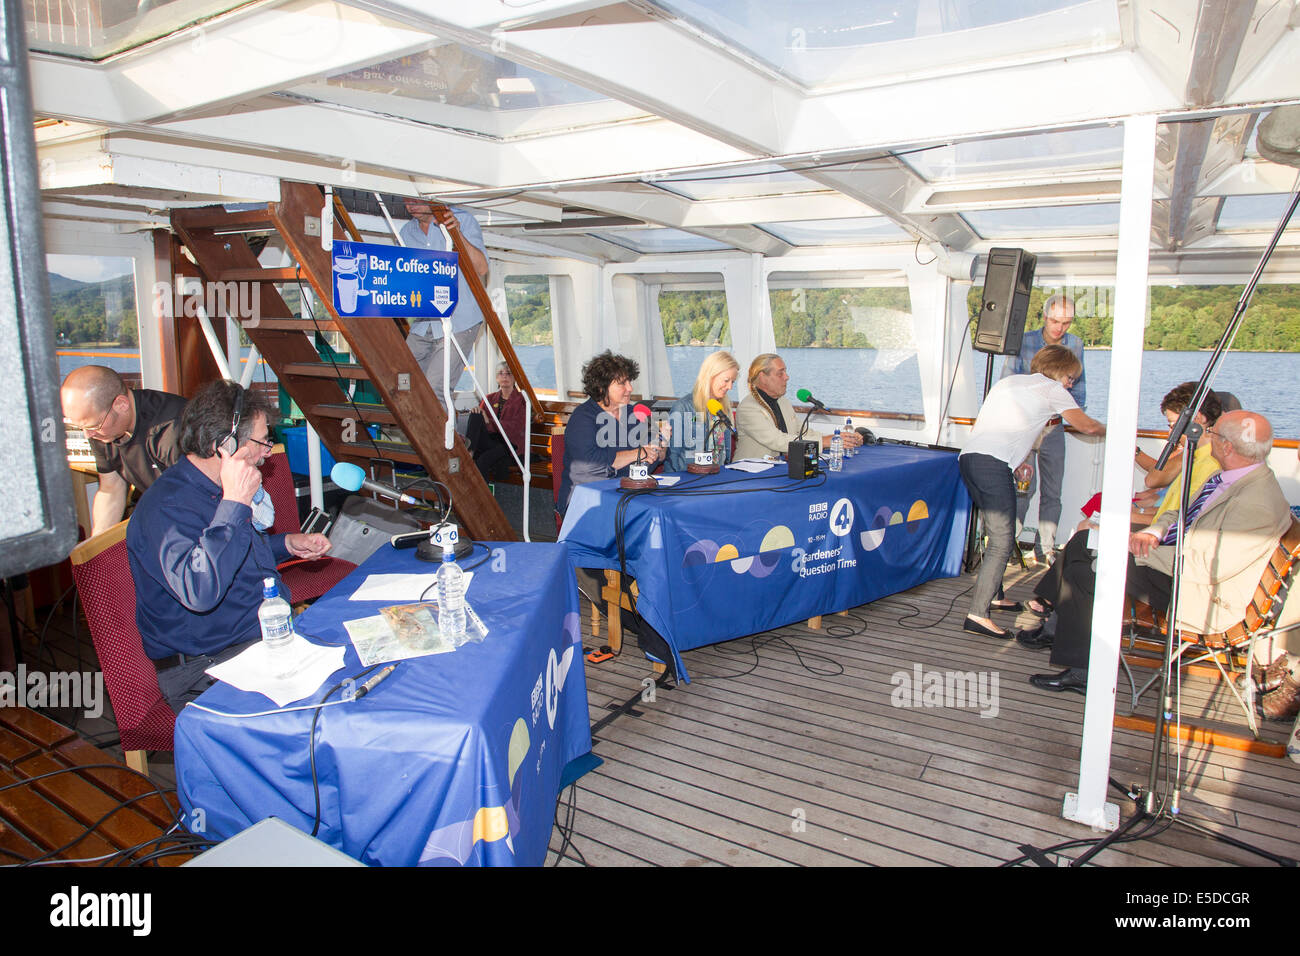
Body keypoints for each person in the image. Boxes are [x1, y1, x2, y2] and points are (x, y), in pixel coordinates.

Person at [1029, 411, 1295, 711]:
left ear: (1227, 446)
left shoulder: (1256, 501)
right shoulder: (1229, 477)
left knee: (1085, 574)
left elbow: (1209, 567)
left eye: (1213, 434)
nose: (1206, 438)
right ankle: (1056, 622)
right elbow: (1180, 513)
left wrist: (1135, 549)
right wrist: (1153, 533)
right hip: (1177, 565)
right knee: (1083, 541)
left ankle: (1082, 671)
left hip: (1196, 592)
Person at [127, 380, 332, 711]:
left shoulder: (218, 486)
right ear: (224, 444)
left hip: (259, 640)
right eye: (262, 442)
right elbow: (200, 590)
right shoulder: (165, 508)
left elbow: (233, 554)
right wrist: (235, 503)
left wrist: (286, 544)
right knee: (320, 712)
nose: (267, 452)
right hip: (206, 668)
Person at [959, 345, 1105, 640]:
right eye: (1070, 377)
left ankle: (995, 594)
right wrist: (1118, 432)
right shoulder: (1053, 389)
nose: (1070, 384)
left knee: (997, 534)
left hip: (970, 459)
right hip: (993, 465)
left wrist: (1018, 461)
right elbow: (1087, 426)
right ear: (1060, 371)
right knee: (1002, 540)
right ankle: (978, 614)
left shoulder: (1010, 382)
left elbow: (1007, 425)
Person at [999, 294, 1085, 560]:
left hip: (1054, 427)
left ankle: (1046, 549)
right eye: (1055, 321)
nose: (1060, 328)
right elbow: (1007, 384)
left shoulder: (1076, 345)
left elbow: (1079, 389)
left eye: (1066, 322)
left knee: (1053, 490)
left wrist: (1075, 413)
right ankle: (1008, 546)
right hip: (1025, 425)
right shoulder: (1023, 342)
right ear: (1045, 317)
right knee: (1023, 488)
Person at [61, 365, 187, 536]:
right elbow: (111, 488)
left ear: (121, 404)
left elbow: (194, 501)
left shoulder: (172, 430)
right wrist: (97, 545)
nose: (88, 435)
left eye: (93, 426)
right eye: (81, 427)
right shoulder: (102, 430)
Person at [400, 198, 491, 408]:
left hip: (460, 320)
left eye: (415, 199)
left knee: (436, 389)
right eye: (406, 201)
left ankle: (443, 431)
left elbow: (481, 268)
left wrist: (456, 234)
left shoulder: (463, 220)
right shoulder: (406, 232)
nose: (411, 205)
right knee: (402, 381)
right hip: (424, 322)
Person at [557, 350, 663, 516]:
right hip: (587, 501)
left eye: (629, 381)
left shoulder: (632, 414)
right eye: (622, 383)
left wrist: (659, 447)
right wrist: (637, 453)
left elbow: (650, 455)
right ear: (601, 387)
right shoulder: (582, 418)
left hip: (628, 495)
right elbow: (589, 464)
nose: (630, 388)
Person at [733, 353, 863, 460]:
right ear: (763, 377)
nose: (787, 377)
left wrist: (840, 438)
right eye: (780, 373)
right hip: (750, 475)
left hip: (779, 468)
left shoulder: (783, 402)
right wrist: (825, 441)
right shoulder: (748, 408)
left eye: (785, 372)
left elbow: (803, 433)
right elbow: (777, 440)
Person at [1131, 383, 1222, 525]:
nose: (1170, 434)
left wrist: (1129, 517)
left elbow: (1183, 520)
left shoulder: (1211, 463)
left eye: (1174, 425)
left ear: (1198, 419)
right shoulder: (1194, 456)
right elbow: (1154, 485)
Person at [665, 351, 739, 472]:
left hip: (718, 476)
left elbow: (725, 455)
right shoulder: (683, 407)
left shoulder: (724, 408)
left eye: (733, 382)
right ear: (710, 376)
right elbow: (672, 456)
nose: (730, 387)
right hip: (689, 479)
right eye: (726, 380)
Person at [466, 362, 526, 481]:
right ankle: (469, 452)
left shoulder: (522, 400)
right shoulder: (489, 398)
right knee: (476, 414)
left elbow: (516, 428)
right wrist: (481, 414)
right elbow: (480, 424)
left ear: (515, 378)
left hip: (510, 444)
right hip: (491, 441)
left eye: (509, 373)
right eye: (501, 373)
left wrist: (489, 421)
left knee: (483, 460)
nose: (504, 376)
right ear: (496, 378)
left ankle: (484, 493)